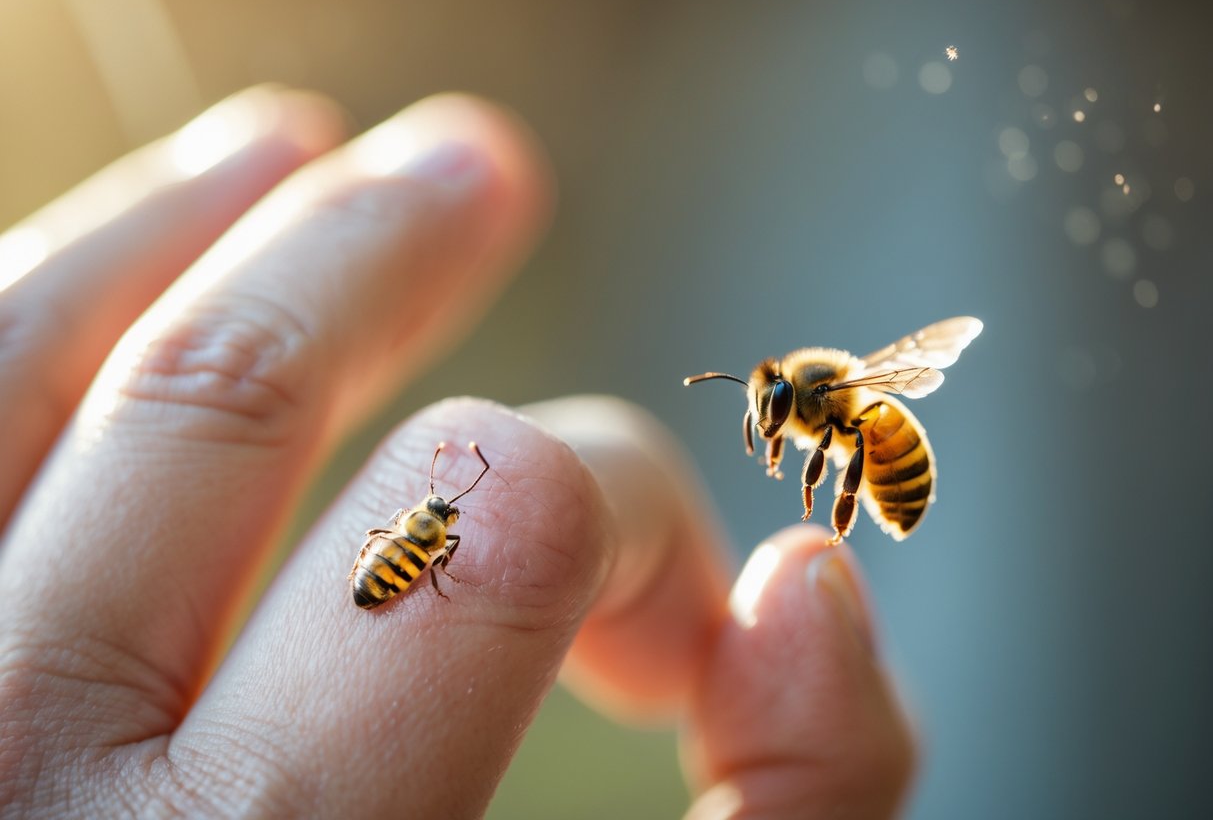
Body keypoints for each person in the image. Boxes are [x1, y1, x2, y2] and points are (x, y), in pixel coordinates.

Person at [0, 86, 914, 818]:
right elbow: (417, 557)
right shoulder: (430, 537)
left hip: (878, 444)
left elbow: (417, 554)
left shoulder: (427, 534)